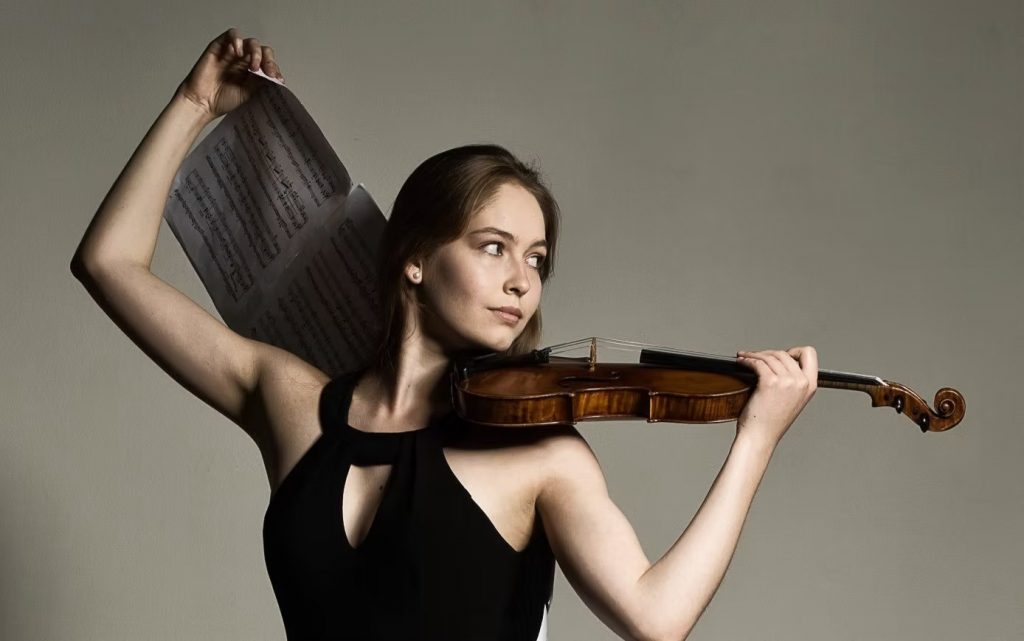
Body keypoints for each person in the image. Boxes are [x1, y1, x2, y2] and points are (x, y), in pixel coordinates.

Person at [71, 28, 819, 641]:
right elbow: (108, 264)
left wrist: (755, 437)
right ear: (417, 258)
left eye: (537, 259)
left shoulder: (543, 454)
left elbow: (657, 620)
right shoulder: (291, 401)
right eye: (493, 246)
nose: (523, 280)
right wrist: (196, 101)